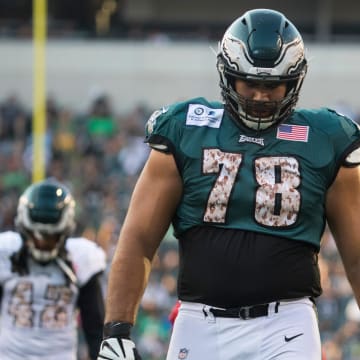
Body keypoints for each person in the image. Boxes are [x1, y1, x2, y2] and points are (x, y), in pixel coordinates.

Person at [97, 8, 360, 360]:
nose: (260, 96)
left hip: (287, 325)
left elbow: (357, 254)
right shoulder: (187, 128)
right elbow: (139, 239)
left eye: (272, 85)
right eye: (249, 82)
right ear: (227, 75)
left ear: (294, 81)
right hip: (200, 322)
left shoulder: (324, 138)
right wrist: (116, 329)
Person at [0, 179, 106, 360]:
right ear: (24, 229)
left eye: (50, 237)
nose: (42, 243)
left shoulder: (81, 259)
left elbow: (95, 330)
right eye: (36, 235)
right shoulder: (6, 253)